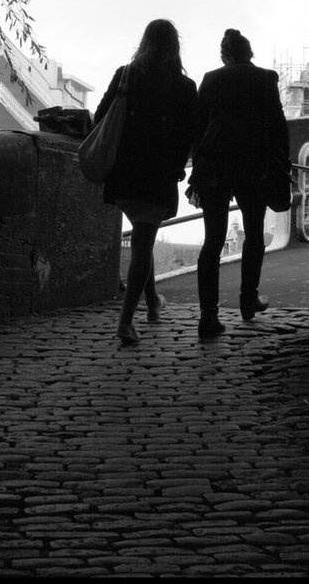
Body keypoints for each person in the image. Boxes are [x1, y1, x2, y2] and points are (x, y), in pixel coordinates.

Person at [92, 19, 200, 345]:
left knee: (142, 237)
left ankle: (153, 303)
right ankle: (126, 322)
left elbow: (100, 117)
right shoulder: (184, 87)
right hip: (157, 174)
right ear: (174, 46)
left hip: (123, 173)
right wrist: (181, 167)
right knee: (142, 242)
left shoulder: (126, 75)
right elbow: (189, 134)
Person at [189, 28, 289, 338]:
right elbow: (277, 126)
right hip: (252, 166)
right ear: (249, 52)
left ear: (224, 55)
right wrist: (281, 166)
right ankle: (248, 299)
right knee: (254, 233)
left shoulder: (210, 79)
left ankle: (208, 315)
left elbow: (198, 127)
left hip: (214, 166)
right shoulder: (265, 79)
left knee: (213, 240)